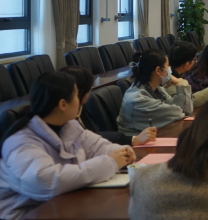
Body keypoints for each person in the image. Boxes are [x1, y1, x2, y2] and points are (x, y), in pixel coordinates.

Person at [0, 72, 135, 220]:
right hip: (26, 213)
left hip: (62, 204)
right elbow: (46, 181)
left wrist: (121, 153)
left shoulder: (69, 125)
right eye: (76, 95)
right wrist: (109, 163)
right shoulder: (20, 142)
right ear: (63, 104)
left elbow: (97, 146)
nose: (80, 100)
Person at [59, 67, 156, 146]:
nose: (89, 94)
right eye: (88, 90)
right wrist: (132, 139)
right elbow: (88, 141)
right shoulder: (63, 123)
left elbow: (94, 135)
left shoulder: (80, 108)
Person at [117, 49, 194, 136]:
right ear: (158, 70)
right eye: (167, 66)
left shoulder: (155, 87)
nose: (170, 70)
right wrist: (182, 85)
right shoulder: (139, 100)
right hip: (137, 142)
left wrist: (180, 83)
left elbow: (185, 110)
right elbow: (178, 113)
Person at [169, 42, 208, 108]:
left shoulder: (179, 75)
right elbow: (187, 102)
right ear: (186, 65)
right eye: (194, 60)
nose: (195, 62)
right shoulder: (169, 81)